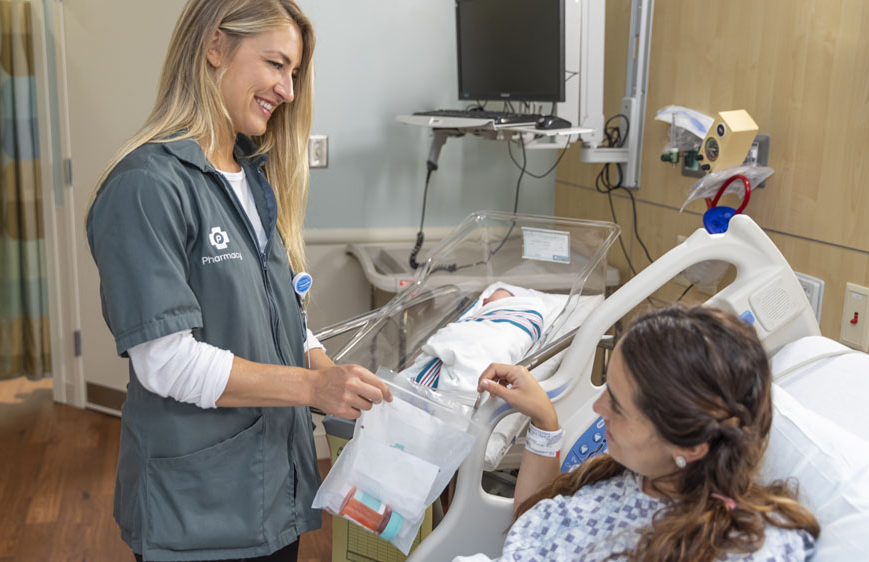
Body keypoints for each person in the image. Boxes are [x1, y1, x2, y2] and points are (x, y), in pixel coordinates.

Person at [85, 2, 391, 561]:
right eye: (276, 64)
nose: (288, 90)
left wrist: (329, 374)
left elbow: (284, 319)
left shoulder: (255, 179)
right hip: (198, 511)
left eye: (294, 73)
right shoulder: (147, 187)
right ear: (215, 47)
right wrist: (311, 388)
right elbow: (167, 363)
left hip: (274, 494)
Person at [462, 305, 819, 561]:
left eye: (617, 403)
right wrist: (544, 421)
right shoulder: (625, 476)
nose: (598, 408)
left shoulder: (741, 547)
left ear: (690, 444)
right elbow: (535, 528)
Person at [402, 283, 547, 404]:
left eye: (492, 297)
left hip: (482, 366)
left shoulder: (521, 317)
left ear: (513, 302)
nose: (484, 301)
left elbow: (458, 337)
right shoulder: (481, 321)